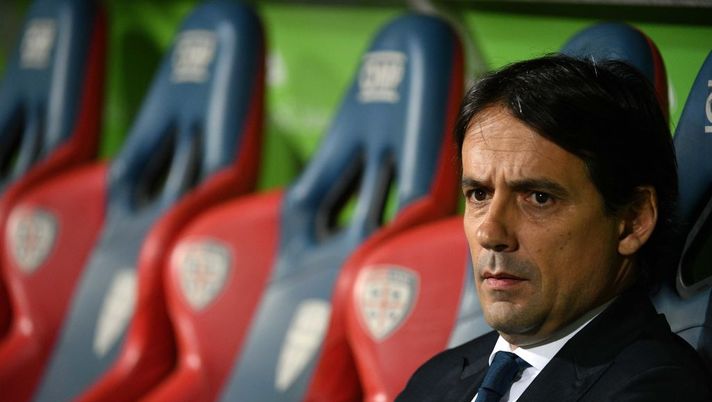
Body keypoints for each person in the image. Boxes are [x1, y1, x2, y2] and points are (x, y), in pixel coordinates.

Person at [396, 54, 712, 401]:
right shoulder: (433, 380)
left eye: (539, 198)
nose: (490, 233)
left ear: (633, 221)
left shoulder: (658, 390)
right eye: (480, 194)